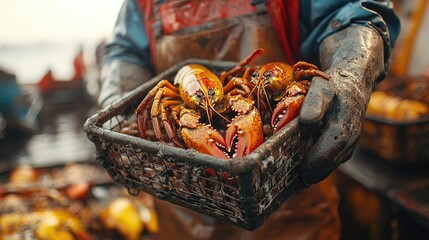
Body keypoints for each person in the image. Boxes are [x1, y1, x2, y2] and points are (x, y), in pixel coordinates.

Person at [98, 0, 400, 239]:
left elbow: (352, 12)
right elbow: (125, 53)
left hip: (293, 211)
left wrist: (351, 72)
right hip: (181, 218)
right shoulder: (139, 4)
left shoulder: (236, 91)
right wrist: (116, 100)